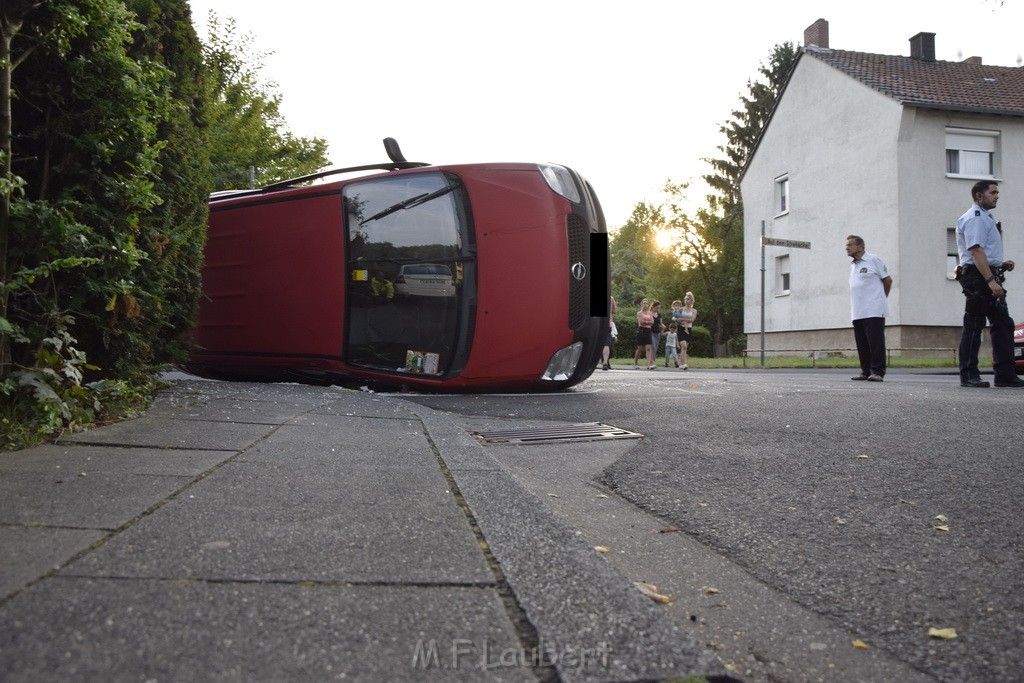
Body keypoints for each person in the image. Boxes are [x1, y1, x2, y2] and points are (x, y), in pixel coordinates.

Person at [955, 180, 1024, 388]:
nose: (997, 196)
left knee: (1003, 324)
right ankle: (968, 374)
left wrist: (999, 264)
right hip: (978, 278)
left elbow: (983, 252)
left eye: (997, 192)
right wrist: (991, 280)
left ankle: (1005, 374)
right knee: (974, 325)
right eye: (993, 192)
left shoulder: (986, 217)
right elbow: (975, 251)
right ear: (979, 195)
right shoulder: (975, 218)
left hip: (986, 274)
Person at [845, 235, 892, 382]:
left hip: (874, 310)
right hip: (858, 311)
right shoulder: (853, 266)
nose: (847, 248)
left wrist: (880, 298)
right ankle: (865, 371)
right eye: (846, 245)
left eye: (850, 245)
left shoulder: (873, 260)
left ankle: (877, 372)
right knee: (862, 342)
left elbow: (888, 280)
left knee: (875, 342)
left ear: (860, 247)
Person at [674, 292, 697, 370]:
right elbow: (675, 318)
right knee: (683, 345)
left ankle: (682, 363)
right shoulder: (681, 309)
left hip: (688, 329)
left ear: (691, 300)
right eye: (686, 299)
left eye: (688, 299)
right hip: (681, 328)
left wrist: (683, 319)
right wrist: (678, 320)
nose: (686, 301)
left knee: (685, 347)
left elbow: (692, 320)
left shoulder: (694, 311)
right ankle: (683, 363)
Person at [632, 298, 655, 369]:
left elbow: (653, 322)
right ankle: (635, 363)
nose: (645, 305)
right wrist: (648, 322)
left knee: (648, 347)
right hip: (641, 331)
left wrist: (646, 322)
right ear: (641, 304)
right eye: (644, 303)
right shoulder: (639, 313)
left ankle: (648, 364)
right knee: (640, 348)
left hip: (648, 331)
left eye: (647, 303)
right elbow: (641, 322)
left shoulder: (650, 313)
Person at [601, 296, 617, 371]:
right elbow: (614, 311)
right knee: (606, 343)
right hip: (607, 323)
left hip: (597, 324)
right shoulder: (611, 298)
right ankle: (605, 362)